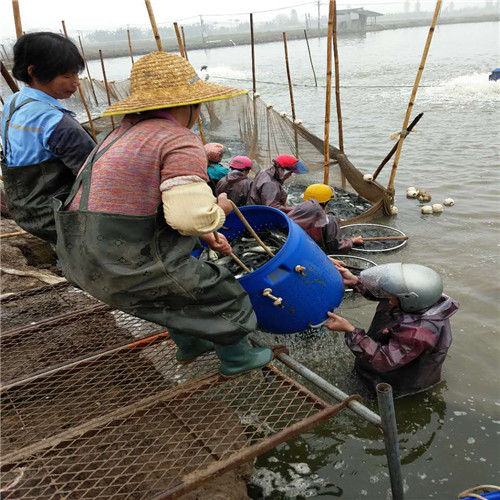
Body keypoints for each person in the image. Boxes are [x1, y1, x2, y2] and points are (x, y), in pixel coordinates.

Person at [54, 51, 273, 377]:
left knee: (172, 294)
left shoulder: (116, 135)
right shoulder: (178, 139)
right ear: (190, 106)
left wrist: (205, 233)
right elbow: (188, 218)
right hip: (124, 264)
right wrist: (219, 211)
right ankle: (238, 359)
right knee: (221, 290)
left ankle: (190, 344)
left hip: (78, 260)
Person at [1, 32, 96, 243]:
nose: (76, 83)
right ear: (33, 72)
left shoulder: (15, 101)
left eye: (76, 75)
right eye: (67, 76)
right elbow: (96, 176)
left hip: (22, 206)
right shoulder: (56, 123)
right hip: (51, 214)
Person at [324, 262, 459, 397]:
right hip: (392, 358)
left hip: (399, 381)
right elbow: (381, 293)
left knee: (380, 396)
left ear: (408, 301)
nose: (387, 298)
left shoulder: (418, 333)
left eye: (391, 297)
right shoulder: (420, 300)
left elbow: (384, 359)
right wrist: (355, 281)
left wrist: (351, 331)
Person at [290, 184, 363, 252]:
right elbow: (335, 246)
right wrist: (352, 240)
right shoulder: (329, 220)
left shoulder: (294, 213)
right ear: (325, 203)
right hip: (317, 252)